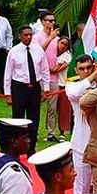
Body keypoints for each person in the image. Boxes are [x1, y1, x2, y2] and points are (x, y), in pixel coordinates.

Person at [65, 54, 97, 194]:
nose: (86, 71)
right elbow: (77, 93)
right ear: (76, 70)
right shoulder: (73, 86)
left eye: (89, 67)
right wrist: (94, 74)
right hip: (81, 145)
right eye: (82, 69)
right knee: (82, 190)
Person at [4, 25, 51, 156]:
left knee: (34, 119)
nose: (28, 37)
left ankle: (31, 148)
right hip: (19, 87)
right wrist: (8, 94)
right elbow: (8, 73)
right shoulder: (14, 51)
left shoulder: (38, 50)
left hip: (34, 87)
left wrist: (45, 89)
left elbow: (44, 70)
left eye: (30, 34)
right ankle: (16, 148)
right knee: (17, 119)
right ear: (20, 36)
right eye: (26, 35)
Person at [32, 12, 62, 142]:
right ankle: (34, 131)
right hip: (40, 76)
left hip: (53, 76)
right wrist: (50, 38)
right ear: (42, 21)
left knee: (52, 107)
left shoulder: (57, 39)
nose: (51, 23)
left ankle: (50, 132)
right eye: (49, 20)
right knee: (35, 106)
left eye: (53, 20)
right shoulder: (36, 37)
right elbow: (38, 52)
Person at [54, 36, 73, 141]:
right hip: (53, 84)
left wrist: (55, 67)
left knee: (63, 109)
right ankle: (50, 131)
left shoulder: (68, 56)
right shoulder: (52, 53)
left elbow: (57, 69)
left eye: (66, 44)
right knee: (52, 109)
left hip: (63, 84)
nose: (63, 46)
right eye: (62, 43)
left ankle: (62, 132)